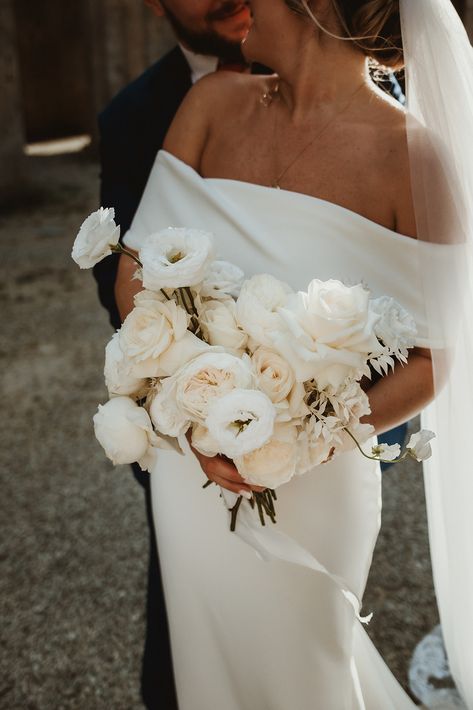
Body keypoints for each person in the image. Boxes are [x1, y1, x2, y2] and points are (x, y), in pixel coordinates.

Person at [93, 3, 253, 708]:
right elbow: (119, 282)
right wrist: (194, 409)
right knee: (186, 616)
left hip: (315, 403)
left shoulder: (325, 80)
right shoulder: (134, 116)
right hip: (187, 415)